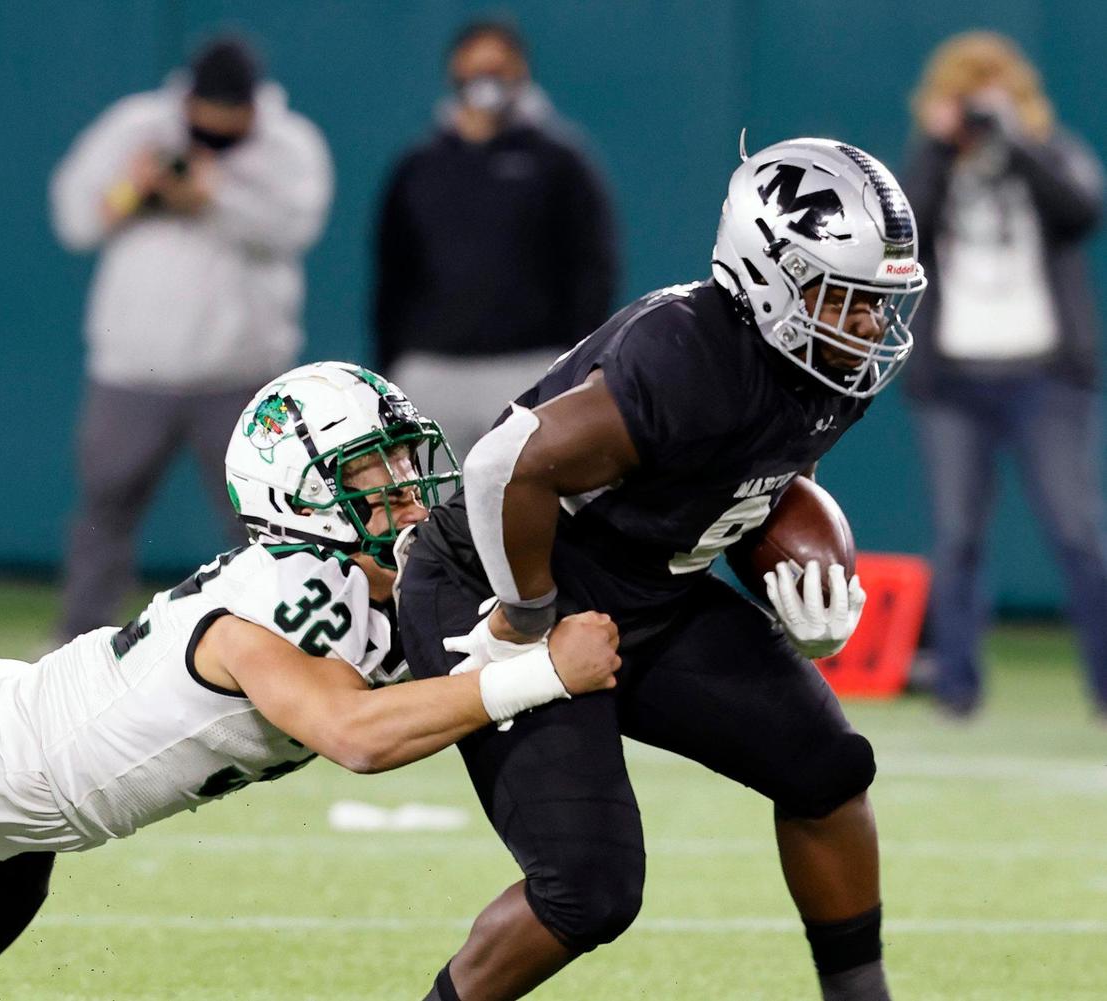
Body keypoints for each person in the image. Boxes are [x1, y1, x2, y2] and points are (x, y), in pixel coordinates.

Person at [397, 138, 927, 1001]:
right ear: (768, 274)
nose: (868, 324)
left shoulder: (828, 362)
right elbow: (503, 467)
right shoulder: (685, 353)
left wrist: (800, 587)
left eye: (880, 302)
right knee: (589, 889)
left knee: (826, 768)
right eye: (846, 297)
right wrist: (523, 622)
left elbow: (763, 475)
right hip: (501, 574)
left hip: (648, 585)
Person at [0, 362, 621, 976]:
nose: (405, 478)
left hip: (17, 817)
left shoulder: (369, 583)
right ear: (305, 494)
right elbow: (358, 735)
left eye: (401, 452)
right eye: (373, 463)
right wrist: (548, 673)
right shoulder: (287, 587)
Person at [49, 36, 334, 641]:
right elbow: (75, 220)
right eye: (202, 134)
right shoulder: (135, 126)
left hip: (242, 377)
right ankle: (73, 647)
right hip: (132, 370)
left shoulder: (290, 144)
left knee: (268, 522)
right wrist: (134, 187)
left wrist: (214, 196)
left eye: (225, 136)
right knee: (103, 515)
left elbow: (295, 226)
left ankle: (283, 642)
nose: (211, 144)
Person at [902, 32, 1107, 718]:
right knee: (957, 537)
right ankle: (957, 690)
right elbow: (905, 231)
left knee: (1077, 533)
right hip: (956, 379)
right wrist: (941, 145)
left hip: (1045, 376)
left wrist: (1013, 141)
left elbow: (1081, 212)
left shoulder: (1048, 152)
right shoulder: (934, 162)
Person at [373, 17, 618, 462]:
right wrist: (393, 367)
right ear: (454, 73)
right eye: (476, 69)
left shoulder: (560, 163)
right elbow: (392, 274)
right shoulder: (418, 167)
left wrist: (575, 364)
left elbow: (592, 267)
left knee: (528, 509)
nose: (486, 82)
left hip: (528, 369)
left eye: (499, 69)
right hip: (432, 374)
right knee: (427, 512)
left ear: (521, 73)